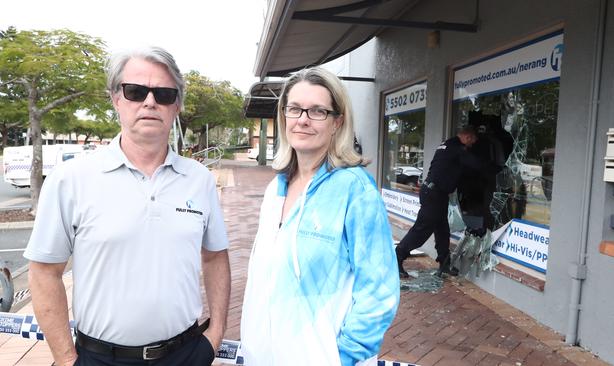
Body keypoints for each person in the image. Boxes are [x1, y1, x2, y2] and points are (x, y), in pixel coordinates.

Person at [24, 46, 231, 366]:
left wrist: (215, 334)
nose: (150, 102)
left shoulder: (200, 180)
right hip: (100, 358)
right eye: (135, 91)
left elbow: (216, 256)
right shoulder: (71, 180)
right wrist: (67, 360)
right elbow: (43, 273)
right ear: (116, 99)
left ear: (176, 105)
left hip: (186, 355)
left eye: (163, 94)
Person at [240, 67, 400, 366]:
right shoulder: (276, 189)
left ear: (337, 122)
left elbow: (379, 291)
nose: (303, 119)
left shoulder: (355, 189)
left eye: (317, 111)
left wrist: (343, 357)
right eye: (295, 109)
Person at [395, 126, 484, 278]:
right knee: (422, 230)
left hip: (435, 193)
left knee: (442, 230)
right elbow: (476, 164)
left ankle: (444, 263)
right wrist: (495, 167)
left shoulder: (447, 144)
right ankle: (397, 257)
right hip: (434, 194)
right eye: (473, 140)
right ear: (468, 137)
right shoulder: (457, 148)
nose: (473, 144)